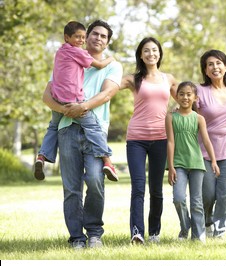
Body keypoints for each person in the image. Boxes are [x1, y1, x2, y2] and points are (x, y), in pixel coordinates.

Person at [42, 20, 123, 248]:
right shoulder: (66, 56)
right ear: (85, 37)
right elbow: (47, 96)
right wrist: (65, 110)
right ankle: (77, 237)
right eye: (94, 34)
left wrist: (83, 107)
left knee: (96, 180)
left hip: (95, 128)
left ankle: (94, 233)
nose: (98, 38)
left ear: (107, 42)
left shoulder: (112, 66)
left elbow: (107, 94)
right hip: (67, 129)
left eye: (103, 36)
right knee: (72, 188)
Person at [34, 21, 118, 182]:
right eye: (78, 37)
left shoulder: (60, 52)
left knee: (52, 127)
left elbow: (107, 93)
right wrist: (111, 58)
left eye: (82, 37)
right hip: (73, 103)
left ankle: (42, 156)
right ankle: (107, 161)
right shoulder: (79, 53)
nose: (81, 40)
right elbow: (99, 65)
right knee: (93, 128)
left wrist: (61, 108)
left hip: (59, 100)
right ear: (68, 38)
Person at [120, 37, 178, 244]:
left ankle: (154, 232)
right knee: (138, 187)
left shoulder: (168, 79)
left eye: (154, 50)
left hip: (161, 139)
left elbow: (187, 99)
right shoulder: (132, 79)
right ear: (141, 55)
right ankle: (137, 232)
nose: (151, 54)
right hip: (136, 139)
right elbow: (107, 89)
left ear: (160, 54)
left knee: (156, 189)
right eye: (146, 50)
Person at [166, 81, 220, 242]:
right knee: (178, 198)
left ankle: (198, 235)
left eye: (189, 94)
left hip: (196, 163)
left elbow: (207, 141)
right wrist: (170, 166)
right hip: (178, 164)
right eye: (181, 94)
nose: (185, 97)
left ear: (195, 98)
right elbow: (170, 142)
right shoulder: (170, 117)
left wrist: (214, 162)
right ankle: (185, 227)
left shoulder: (199, 118)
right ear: (177, 97)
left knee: (196, 201)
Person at [196, 50, 226, 238]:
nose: (215, 67)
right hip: (204, 148)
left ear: (225, 67)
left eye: (219, 63)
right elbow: (188, 112)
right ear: (205, 70)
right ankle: (207, 222)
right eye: (210, 64)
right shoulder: (199, 91)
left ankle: (219, 231)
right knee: (207, 194)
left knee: (225, 195)